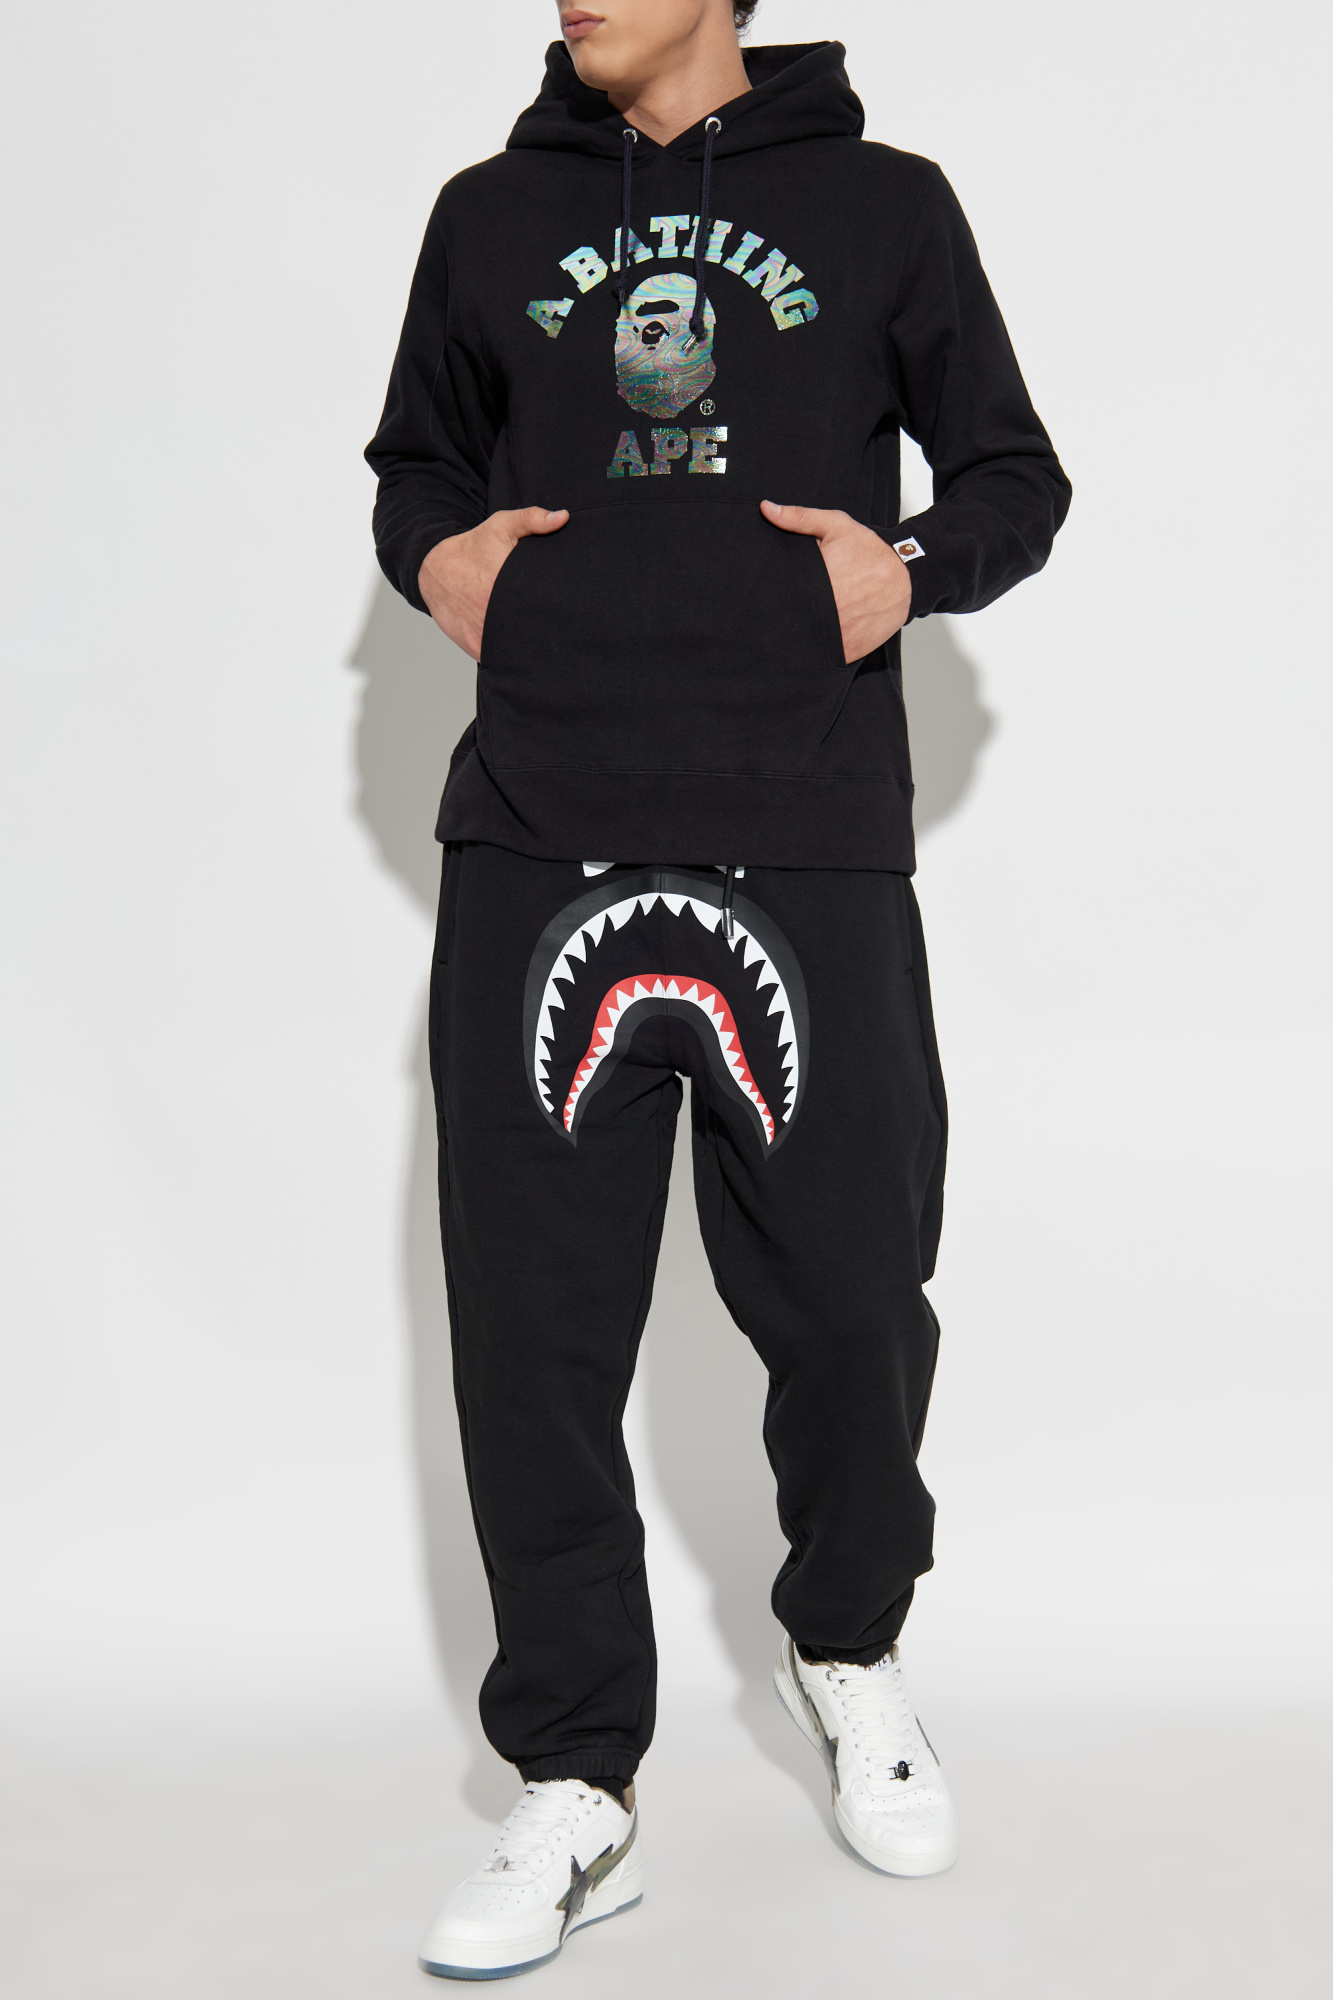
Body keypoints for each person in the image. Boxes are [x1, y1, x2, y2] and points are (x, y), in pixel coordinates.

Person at [366, 0, 1069, 1980]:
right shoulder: (486, 214)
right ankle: (575, 1782)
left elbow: (1013, 476)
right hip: (538, 830)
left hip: (805, 825)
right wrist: (443, 566)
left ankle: (845, 1645)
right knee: (532, 1331)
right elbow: (413, 466)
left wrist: (903, 569)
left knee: (850, 1295)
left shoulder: (883, 205)